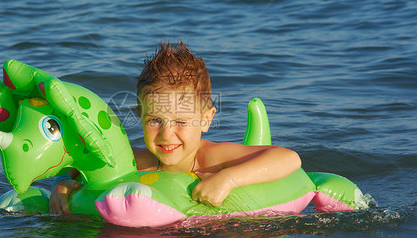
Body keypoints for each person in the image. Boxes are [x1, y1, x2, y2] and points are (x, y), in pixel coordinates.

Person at [49, 41, 301, 214]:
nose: (167, 134)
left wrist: (227, 179)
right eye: (155, 120)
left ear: (206, 119)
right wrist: (62, 186)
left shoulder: (211, 159)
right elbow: (82, 167)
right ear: (140, 116)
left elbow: (288, 158)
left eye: (181, 121)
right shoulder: (135, 160)